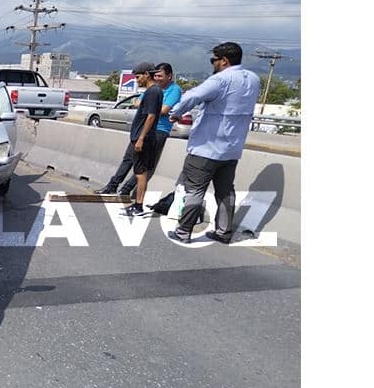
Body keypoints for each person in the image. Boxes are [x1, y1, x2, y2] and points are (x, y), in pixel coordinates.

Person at [166, 42, 261, 243]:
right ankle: (223, 232)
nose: (213, 63)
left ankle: (183, 232)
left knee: (194, 190)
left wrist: (176, 113)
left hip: (205, 148)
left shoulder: (221, 79)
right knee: (225, 192)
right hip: (232, 149)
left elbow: (193, 96)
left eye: (214, 60)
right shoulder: (253, 79)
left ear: (224, 61)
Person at [108, 62, 181, 197]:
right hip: (142, 129)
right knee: (129, 158)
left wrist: (151, 107)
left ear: (169, 76)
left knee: (143, 166)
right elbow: (137, 103)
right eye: (156, 75)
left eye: (160, 76)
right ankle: (112, 185)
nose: (157, 78)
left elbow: (162, 111)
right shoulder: (152, 90)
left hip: (158, 131)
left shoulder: (173, 90)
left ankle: (126, 190)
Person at [120, 63, 164, 217]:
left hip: (144, 138)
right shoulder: (153, 91)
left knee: (140, 173)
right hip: (143, 137)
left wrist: (141, 138)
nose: (137, 80)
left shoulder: (153, 92)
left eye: (138, 77)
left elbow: (151, 116)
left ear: (146, 74)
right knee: (140, 171)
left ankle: (138, 206)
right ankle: (137, 204)